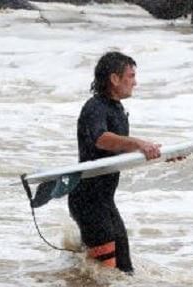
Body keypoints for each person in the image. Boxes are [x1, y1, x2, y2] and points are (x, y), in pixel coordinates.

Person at [68, 51, 162, 274]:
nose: (135, 82)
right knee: (105, 277)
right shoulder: (94, 107)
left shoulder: (116, 109)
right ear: (114, 79)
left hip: (105, 201)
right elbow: (101, 140)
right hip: (88, 201)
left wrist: (162, 155)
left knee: (124, 272)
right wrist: (139, 143)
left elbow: (120, 152)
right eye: (130, 76)